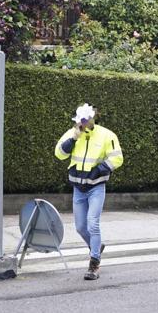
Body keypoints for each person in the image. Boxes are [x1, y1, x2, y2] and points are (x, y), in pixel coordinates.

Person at [55, 103, 123, 280]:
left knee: (93, 224)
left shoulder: (107, 135)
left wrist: (99, 170)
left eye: (84, 120)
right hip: (78, 188)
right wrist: (73, 139)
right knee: (80, 227)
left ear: (92, 119)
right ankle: (97, 247)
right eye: (79, 121)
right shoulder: (72, 133)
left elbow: (117, 158)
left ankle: (94, 264)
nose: (82, 124)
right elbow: (59, 154)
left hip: (96, 187)